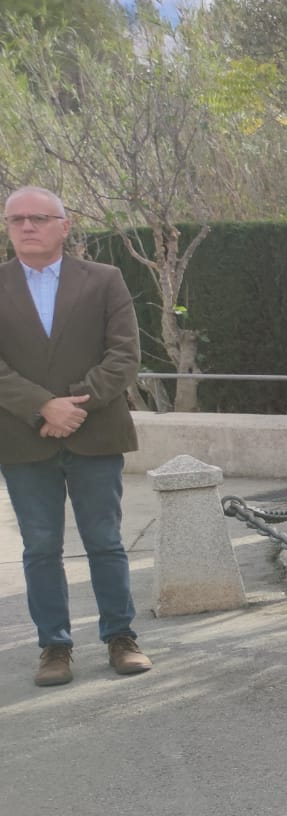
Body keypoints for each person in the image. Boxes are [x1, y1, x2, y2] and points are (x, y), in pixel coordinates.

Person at [0, 186, 145, 687]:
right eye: (15, 219)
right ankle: (54, 648)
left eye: (38, 217)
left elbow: (124, 355)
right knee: (40, 547)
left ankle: (121, 638)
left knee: (104, 540)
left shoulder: (105, 280)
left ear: (65, 225)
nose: (26, 226)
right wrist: (42, 406)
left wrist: (74, 405)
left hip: (95, 432)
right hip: (22, 437)